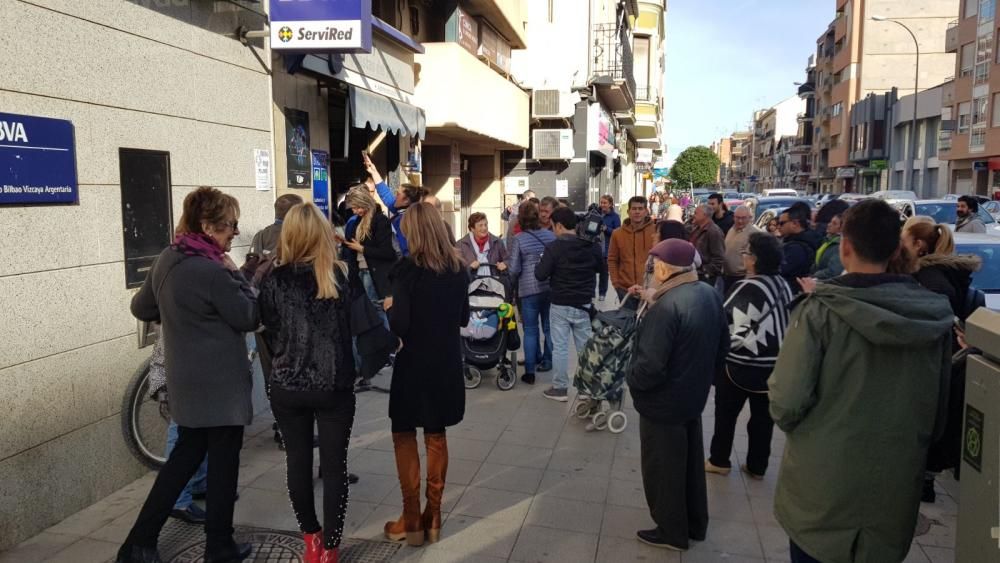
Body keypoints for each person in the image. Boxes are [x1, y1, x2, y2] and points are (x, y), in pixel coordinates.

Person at [768, 200, 953, 563]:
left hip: (822, 492)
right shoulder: (934, 317)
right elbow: (938, 414)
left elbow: (785, 402)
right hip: (892, 494)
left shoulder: (820, 312)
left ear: (846, 246)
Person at [119, 187, 258, 563]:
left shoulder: (170, 257)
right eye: (230, 225)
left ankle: (138, 543)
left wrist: (181, 313)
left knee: (179, 465)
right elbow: (249, 316)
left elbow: (141, 306)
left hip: (186, 382)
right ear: (208, 225)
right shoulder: (214, 270)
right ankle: (219, 546)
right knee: (224, 467)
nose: (234, 233)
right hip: (222, 387)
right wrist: (239, 276)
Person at [258, 203, 357, 563]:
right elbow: (351, 325)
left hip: (287, 382)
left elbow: (267, 326)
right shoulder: (338, 275)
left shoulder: (273, 278)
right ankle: (331, 547)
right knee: (335, 467)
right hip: (334, 384)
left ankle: (311, 539)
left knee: (297, 462)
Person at [627, 239, 729, 551]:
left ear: (662, 267)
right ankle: (695, 524)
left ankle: (671, 531)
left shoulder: (667, 306)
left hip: (663, 403)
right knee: (689, 465)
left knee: (664, 469)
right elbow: (723, 347)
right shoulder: (709, 294)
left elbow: (650, 367)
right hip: (692, 397)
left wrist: (631, 379)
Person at [383, 203, 469, 547]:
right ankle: (434, 516)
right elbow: (463, 318)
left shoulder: (406, 271)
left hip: (413, 363)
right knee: (436, 434)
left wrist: (391, 308)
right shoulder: (459, 269)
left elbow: (400, 324)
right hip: (446, 363)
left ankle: (411, 519)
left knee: (403, 433)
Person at [901, 218, 981, 502]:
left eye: (905, 239)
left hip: (933, 361)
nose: (900, 244)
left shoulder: (931, 281)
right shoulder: (939, 275)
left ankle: (923, 478)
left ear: (919, 246)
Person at [706, 233, 793, 480]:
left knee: (726, 415)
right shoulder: (783, 284)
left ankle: (719, 460)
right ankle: (757, 466)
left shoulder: (746, 287)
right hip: (773, 367)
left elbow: (724, 322)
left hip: (740, 366)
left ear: (754, 259)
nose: (743, 257)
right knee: (762, 421)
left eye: (746, 253)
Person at [245, 193, 304, 449]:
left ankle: (281, 423)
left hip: (263, 318)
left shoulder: (261, 236)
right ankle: (293, 427)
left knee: (272, 373)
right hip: (290, 318)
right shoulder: (299, 236)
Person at [534, 207, 604, 402]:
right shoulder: (592, 245)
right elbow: (601, 268)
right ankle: (586, 389)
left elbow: (540, 274)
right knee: (584, 347)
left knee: (561, 347)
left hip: (560, 303)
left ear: (559, 226)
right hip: (583, 304)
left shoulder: (554, 247)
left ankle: (560, 388)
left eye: (553, 227)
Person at [508, 201, 556, 384]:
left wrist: (511, 289)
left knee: (530, 330)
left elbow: (513, 269)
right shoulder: (550, 236)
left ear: (521, 219)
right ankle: (548, 360)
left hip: (528, 289)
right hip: (549, 287)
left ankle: (530, 371)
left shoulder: (519, 239)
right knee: (548, 326)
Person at [363, 152, 427, 255]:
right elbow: (386, 195)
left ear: (406, 201)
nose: (394, 197)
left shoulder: (405, 220)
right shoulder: (403, 212)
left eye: (398, 194)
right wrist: (373, 171)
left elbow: (405, 249)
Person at [608, 196, 657, 301]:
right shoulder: (617, 234)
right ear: (628, 211)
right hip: (625, 289)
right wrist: (616, 283)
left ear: (646, 211)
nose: (637, 212)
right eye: (634, 209)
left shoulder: (656, 232)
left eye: (640, 208)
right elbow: (612, 260)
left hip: (649, 289)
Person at [777, 202, 822, 294]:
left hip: (791, 292)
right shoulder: (803, 240)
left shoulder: (796, 248)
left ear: (795, 223)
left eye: (781, 223)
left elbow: (780, 270)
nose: (778, 226)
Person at [722, 205, 760, 293]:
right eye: (737, 218)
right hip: (727, 276)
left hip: (741, 277)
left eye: (743, 218)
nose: (740, 221)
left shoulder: (753, 234)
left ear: (749, 218)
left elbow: (754, 261)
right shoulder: (732, 229)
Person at [457, 212, 508, 277]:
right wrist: (469, 267)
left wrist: (505, 264)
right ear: (472, 228)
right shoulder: (461, 245)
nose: (484, 228)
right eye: (480, 225)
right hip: (470, 284)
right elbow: (456, 270)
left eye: (486, 225)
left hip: (494, 284)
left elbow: (508, 260)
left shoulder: (497, 242)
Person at [688, 204, 726, 287]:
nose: (693, 215)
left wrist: (705, 270)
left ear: (704, 215)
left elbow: (719, 258)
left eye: (696, 213)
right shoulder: (697, 228)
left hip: (705, 278)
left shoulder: (714, 231)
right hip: (695, 274)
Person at [598, 194, 622, 301]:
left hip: (606, 249)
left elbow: (618, 233)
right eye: (601, 202)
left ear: (610, 204)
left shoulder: (615, 217)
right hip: (595, 247)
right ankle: (591, 294)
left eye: (605, 203)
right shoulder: (597, 214)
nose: (602, 205)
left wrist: (606, 229)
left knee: (604, 272)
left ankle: (602, 293)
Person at [811, 212, 845, 280]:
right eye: (830, 222)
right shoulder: (828, 240)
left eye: (834, 223)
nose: (829, 225)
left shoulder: (839, 245)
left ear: (842, 228)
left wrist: (814, 276)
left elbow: (834, 271)